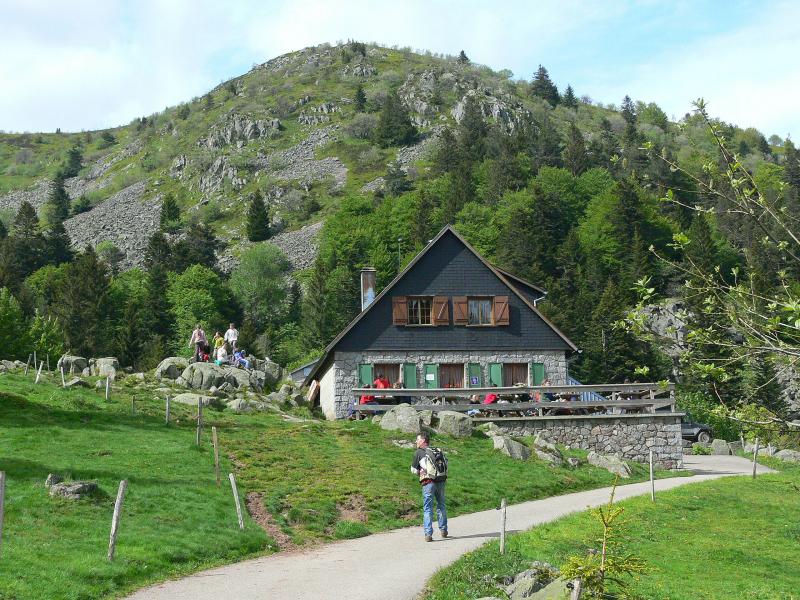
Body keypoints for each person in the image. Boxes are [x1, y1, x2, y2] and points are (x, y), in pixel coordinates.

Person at [410, 433, 448, 542]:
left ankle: (428, 534)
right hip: (440, 481)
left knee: (427, 508)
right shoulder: (436, 450)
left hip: (428, 482)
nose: (416, 442)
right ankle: (444, 530)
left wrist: (419, 472)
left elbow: (413, 470)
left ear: (423, 440)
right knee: (441, 505)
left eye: (417, 439)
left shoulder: (419, 452)